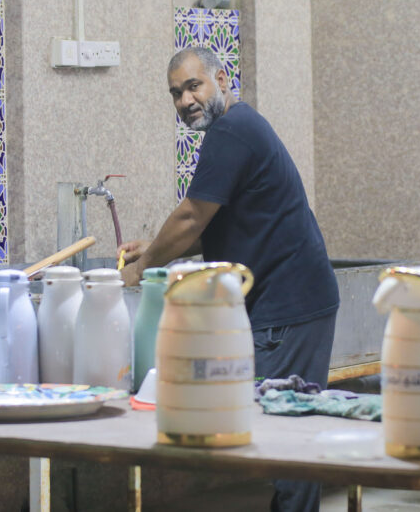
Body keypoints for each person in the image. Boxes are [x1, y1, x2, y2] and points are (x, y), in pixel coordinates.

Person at [118, 46, 340, 512]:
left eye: (193, 86)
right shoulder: (238, 128)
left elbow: (192, 216)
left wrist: (141, 269)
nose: (185, 100)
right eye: (175, 93)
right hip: (287, 301)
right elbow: (215, 224)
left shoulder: (232, 130)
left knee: (284, 434)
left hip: (289, 304)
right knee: (281, 432)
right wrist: (152, 247)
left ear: (221, 80)